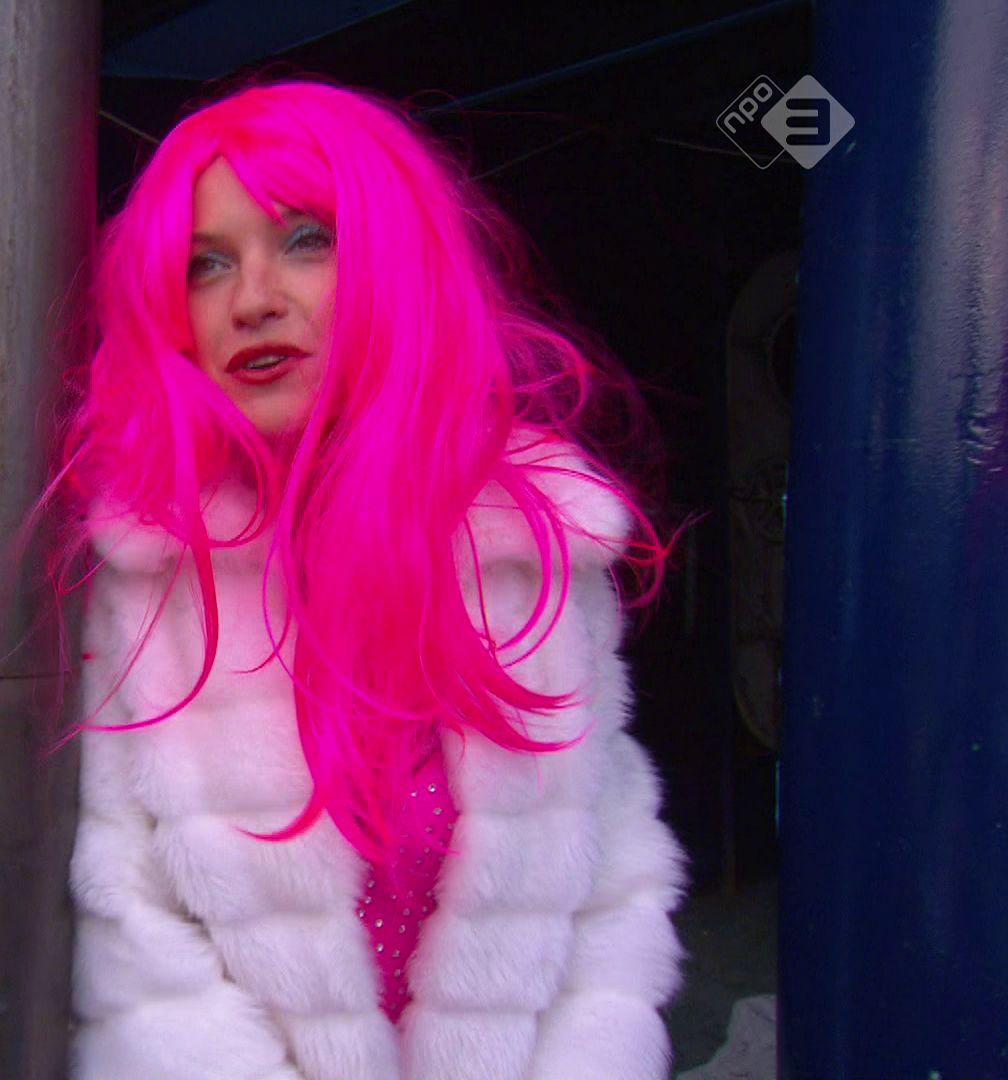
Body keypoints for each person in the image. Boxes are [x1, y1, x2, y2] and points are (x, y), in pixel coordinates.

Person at [51, 82, 687, 1080]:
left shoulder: (532, 555)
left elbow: (606, 885)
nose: (254, 300)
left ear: (397, 260)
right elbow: (129, 932)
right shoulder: (150, 580)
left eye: (307, 240)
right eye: (206, 264)